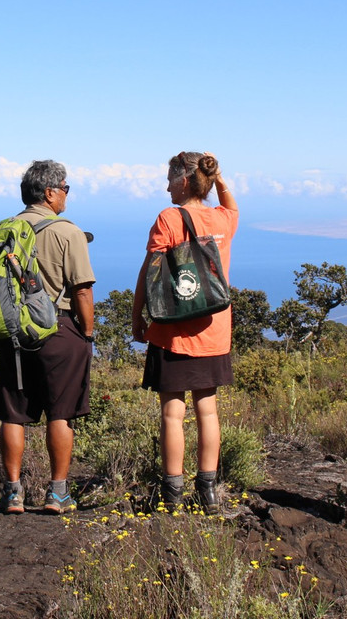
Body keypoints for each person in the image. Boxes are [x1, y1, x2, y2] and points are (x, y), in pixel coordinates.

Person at [131, 151, 239, 512]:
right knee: (208, 412)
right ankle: (208, 494)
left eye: (170, 178)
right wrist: (219, 179)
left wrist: (137, 315)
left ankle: (172, 495)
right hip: (214, 330)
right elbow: (232, 206)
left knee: (171, 414)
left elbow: (152, 272)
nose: (166, 186)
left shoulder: (169, 218)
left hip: (173, 331)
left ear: (184, 180)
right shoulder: (223, 220)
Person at [0, 159, 96, 515]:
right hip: (59, 331)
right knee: (60, 414)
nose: (67, 195)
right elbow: (82, 291)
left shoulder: (6, 229)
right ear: (49, 193)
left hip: (13, 334)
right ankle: (58, 493)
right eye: (65, 188)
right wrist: (87, 333)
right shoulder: (68, 232)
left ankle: (12, 493)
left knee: (14, 414)